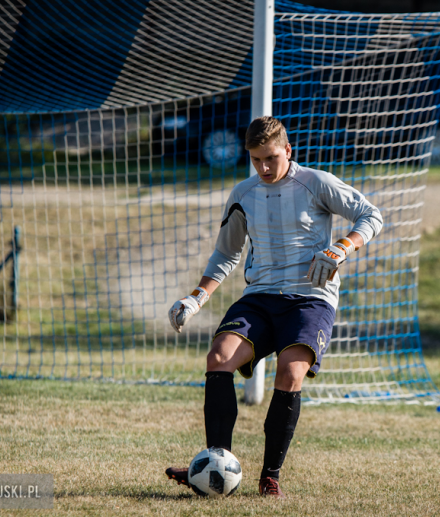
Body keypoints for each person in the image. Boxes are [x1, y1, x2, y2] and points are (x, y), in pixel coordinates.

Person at [165, 116, 383, 498]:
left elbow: (371, 216)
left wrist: (340, 248)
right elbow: (226, 253)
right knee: (218, 358)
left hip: (310, 300)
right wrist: (196, 297)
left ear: (287, 150)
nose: (263, 168)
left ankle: (270, 477)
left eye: (270, 158)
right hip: (260, 298)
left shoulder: (316, 182)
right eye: (255, 160)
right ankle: (215, 467)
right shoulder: (243, 193)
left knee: (290, 373)